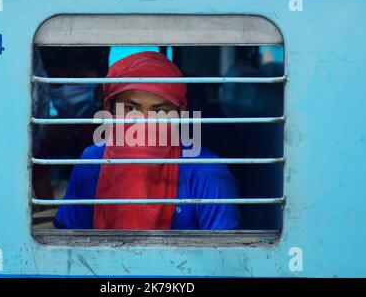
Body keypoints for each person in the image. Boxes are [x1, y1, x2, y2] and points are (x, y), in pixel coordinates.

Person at [54, 51, 241, 230]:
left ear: (180, 113)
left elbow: (224, 257)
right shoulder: (92, 161)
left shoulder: (207, 173)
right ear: (108, 108)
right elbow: (68, 244)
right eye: (131, 109)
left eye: (159, 111)